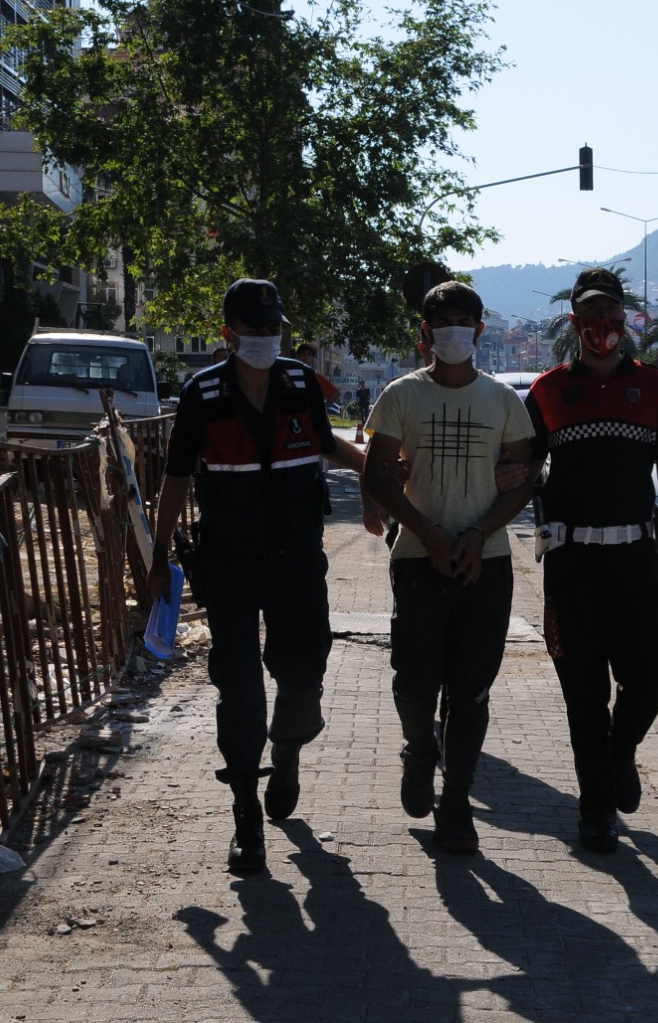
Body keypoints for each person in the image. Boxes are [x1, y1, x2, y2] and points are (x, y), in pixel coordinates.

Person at [147, 278, 373, 873]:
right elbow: (174, 477)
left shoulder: (300, 384)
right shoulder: (203, 393)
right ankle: (246, 812)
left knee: (303, 675)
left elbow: (330, 446)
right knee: (240, 687)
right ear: (229, 334)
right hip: (229, 564)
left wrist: (385, 472)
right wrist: (157, 551)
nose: (266, 340)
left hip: (297, 561)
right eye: (254, 331)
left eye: (274, 330)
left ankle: (289, 750)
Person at [361, 281, 537, 853]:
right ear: (425, 335)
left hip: (485, 565)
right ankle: (418, 748)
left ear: (480, 331)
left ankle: (456, 801)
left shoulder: (504, 402)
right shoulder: (399, 396)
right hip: (417, 561)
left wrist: (479, 532)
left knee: (470, 693)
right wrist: (428, 531)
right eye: (442, 325)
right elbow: (378, 475)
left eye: (463, 323)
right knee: (414, 681)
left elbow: (523, 479)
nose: (453, 334)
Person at [525, 266, 658, 853]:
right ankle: (595, 811)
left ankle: (620, 753)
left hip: (635, 559)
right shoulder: (546, 391)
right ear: (575, 323)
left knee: (648, 679)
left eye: (614, 318)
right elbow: (522, 473)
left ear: (625, 322)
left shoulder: (652, 386)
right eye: (593, 318)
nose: (605, 329)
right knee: (582, 693)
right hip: (571, 565)